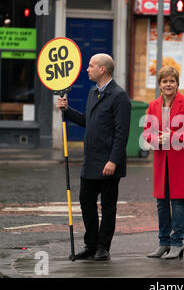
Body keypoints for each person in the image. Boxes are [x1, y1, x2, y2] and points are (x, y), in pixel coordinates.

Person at [56, 53, 131, 261]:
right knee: (86, 202)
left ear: (102, 70)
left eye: (91, 66)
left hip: (108, 162)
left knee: (108, 207)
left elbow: (121, 132)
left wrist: (113, 160)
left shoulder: (119, 96)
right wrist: (67, 110)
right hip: (91, 161)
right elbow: (87, 121)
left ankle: (103, 247)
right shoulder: (92, 93)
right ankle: (90, 244)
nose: (87, 69)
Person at [143, 66, 184, 259]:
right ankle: (163, 243)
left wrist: (175, 136)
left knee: (177, 202)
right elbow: (147, 132)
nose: (168, 85)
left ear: (177, 83)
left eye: (172, 81)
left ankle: (177, 243)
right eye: (165, 81)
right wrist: (154, 139)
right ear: (159, 84)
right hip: (161, 160)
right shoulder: (153, 105)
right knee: (161, 202)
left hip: (180, 159)